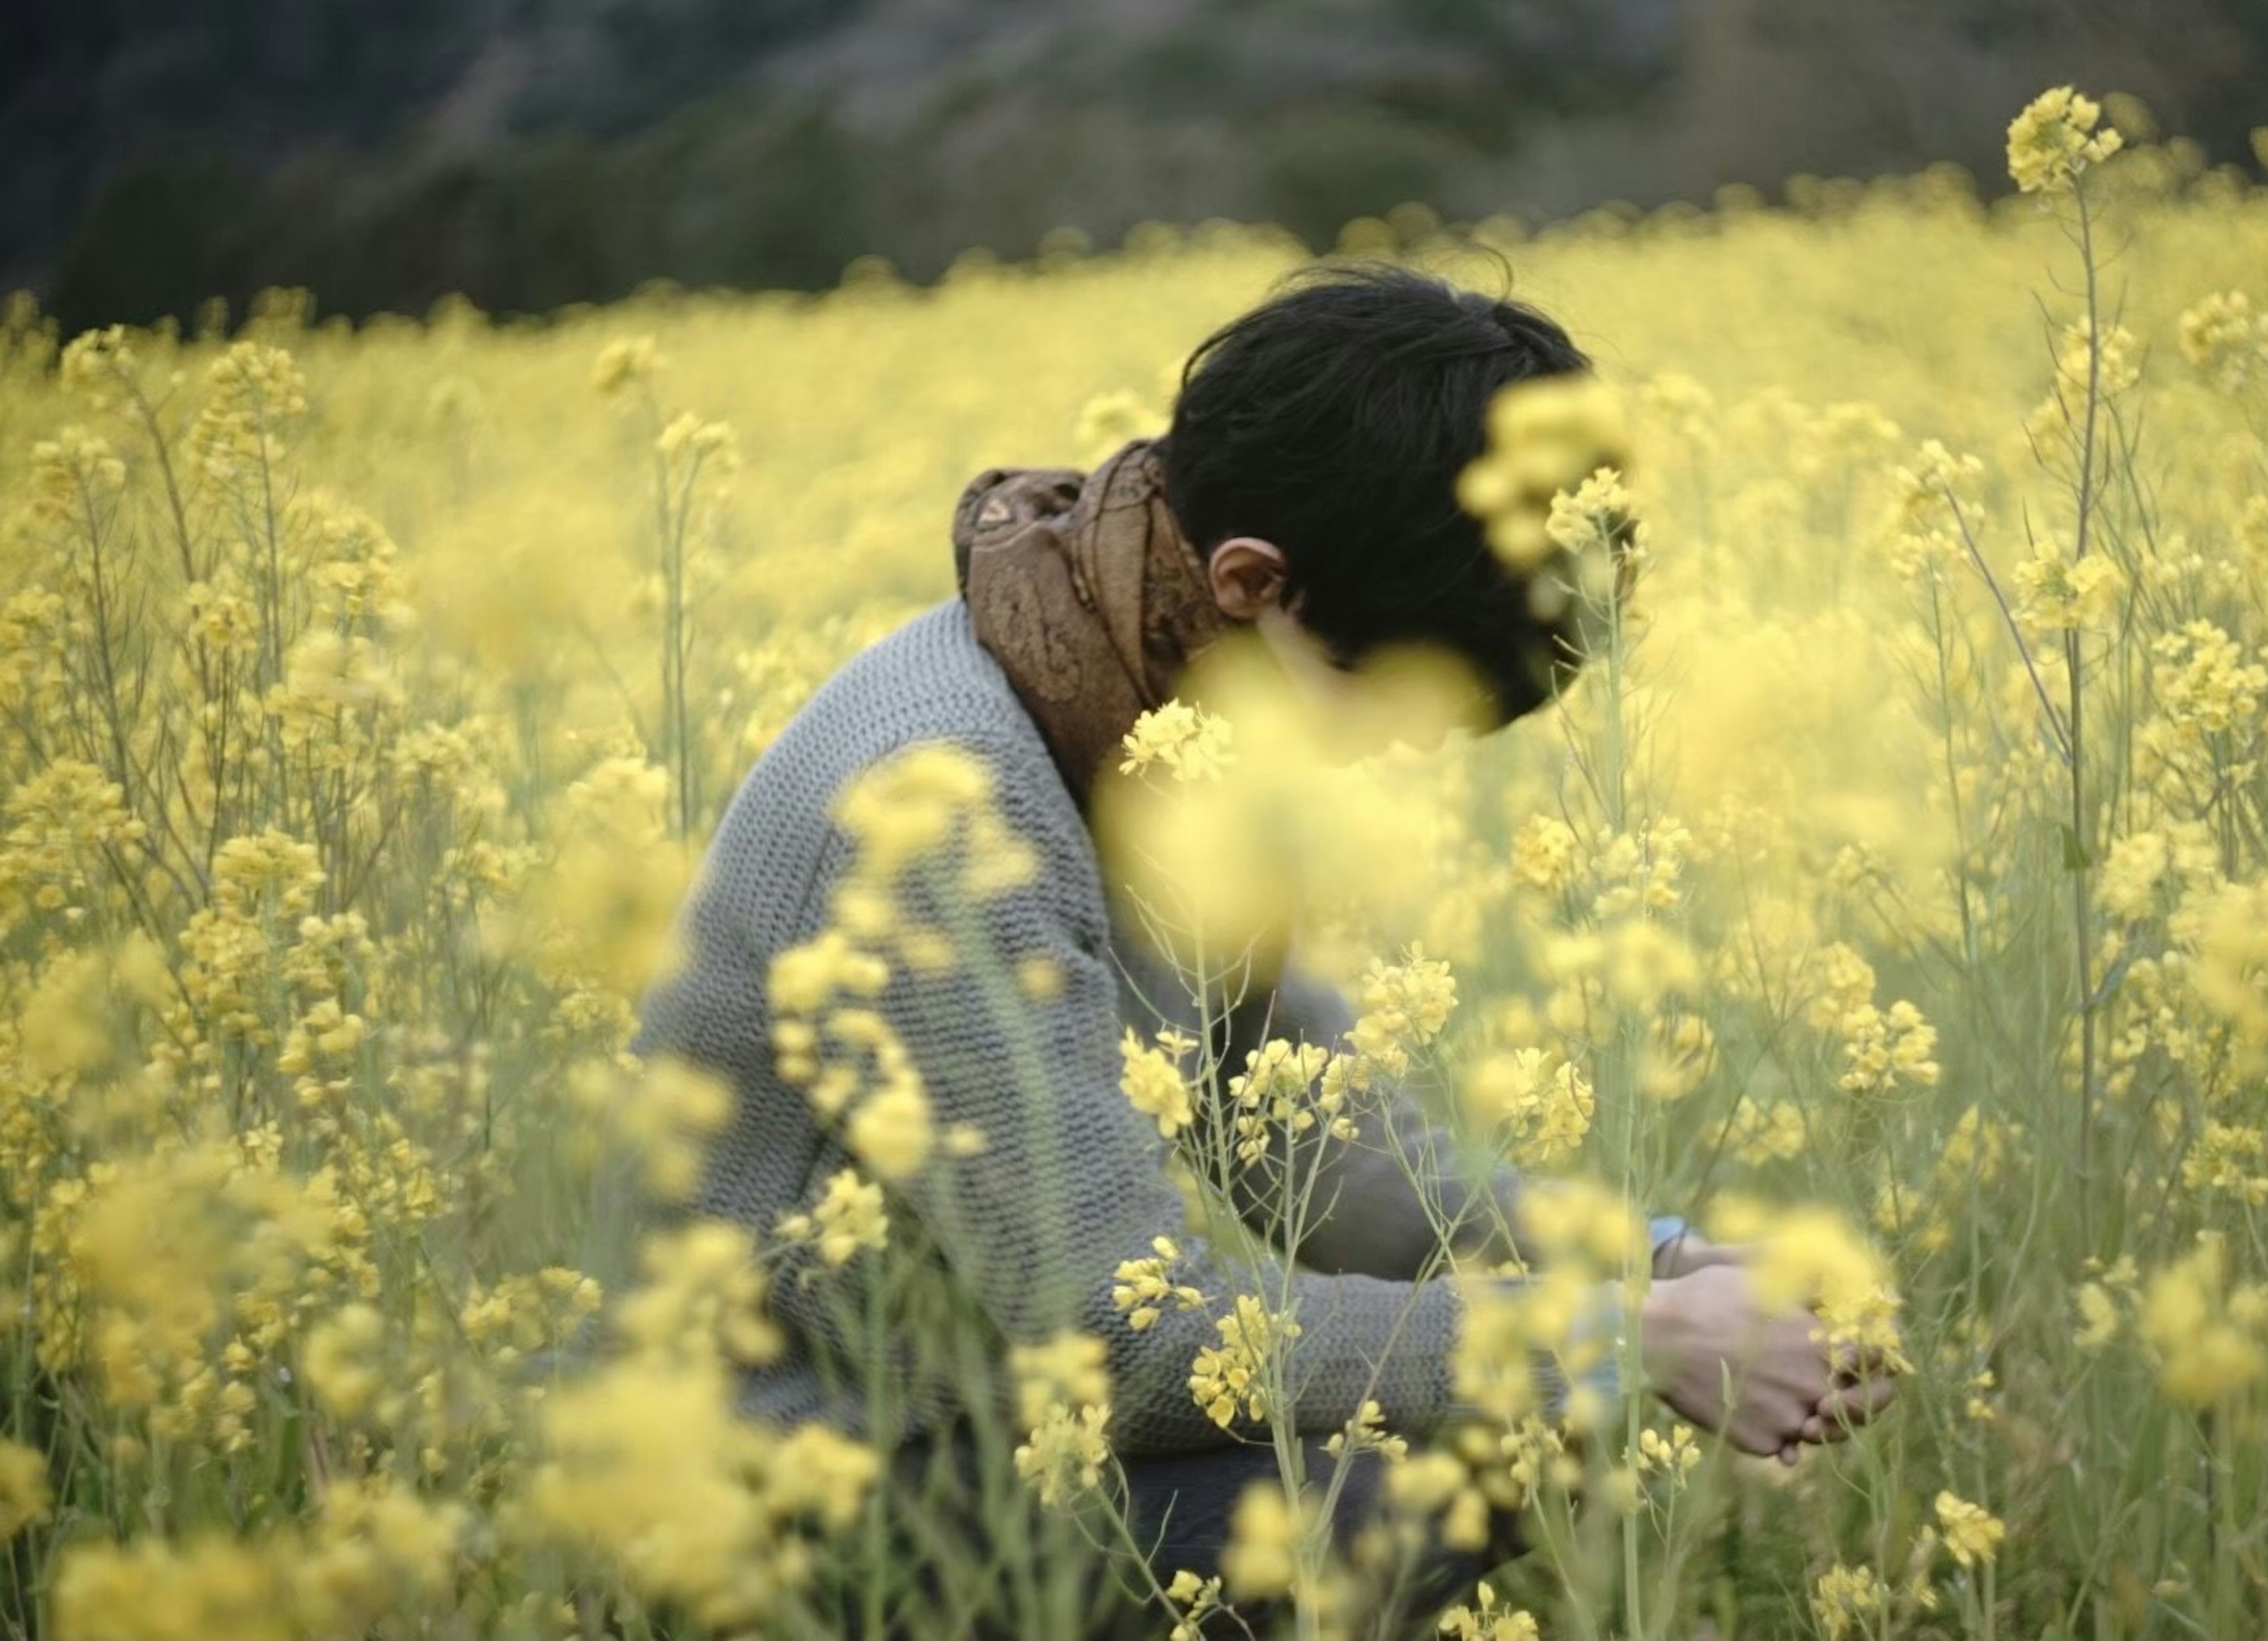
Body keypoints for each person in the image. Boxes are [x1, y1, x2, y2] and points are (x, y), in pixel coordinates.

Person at [627, 259, 1897, 1639]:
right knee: (1398, 1491)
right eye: (1384, 700)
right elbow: (1133, 1340)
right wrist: (1622, 1342)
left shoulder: (1148, 728)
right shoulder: (948, 807)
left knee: (1508, 1430)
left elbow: (1326, 1153)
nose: (1388, 752)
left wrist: (1669, 1265)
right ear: (1250, 580)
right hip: (784, 1504)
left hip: (990, 1430)